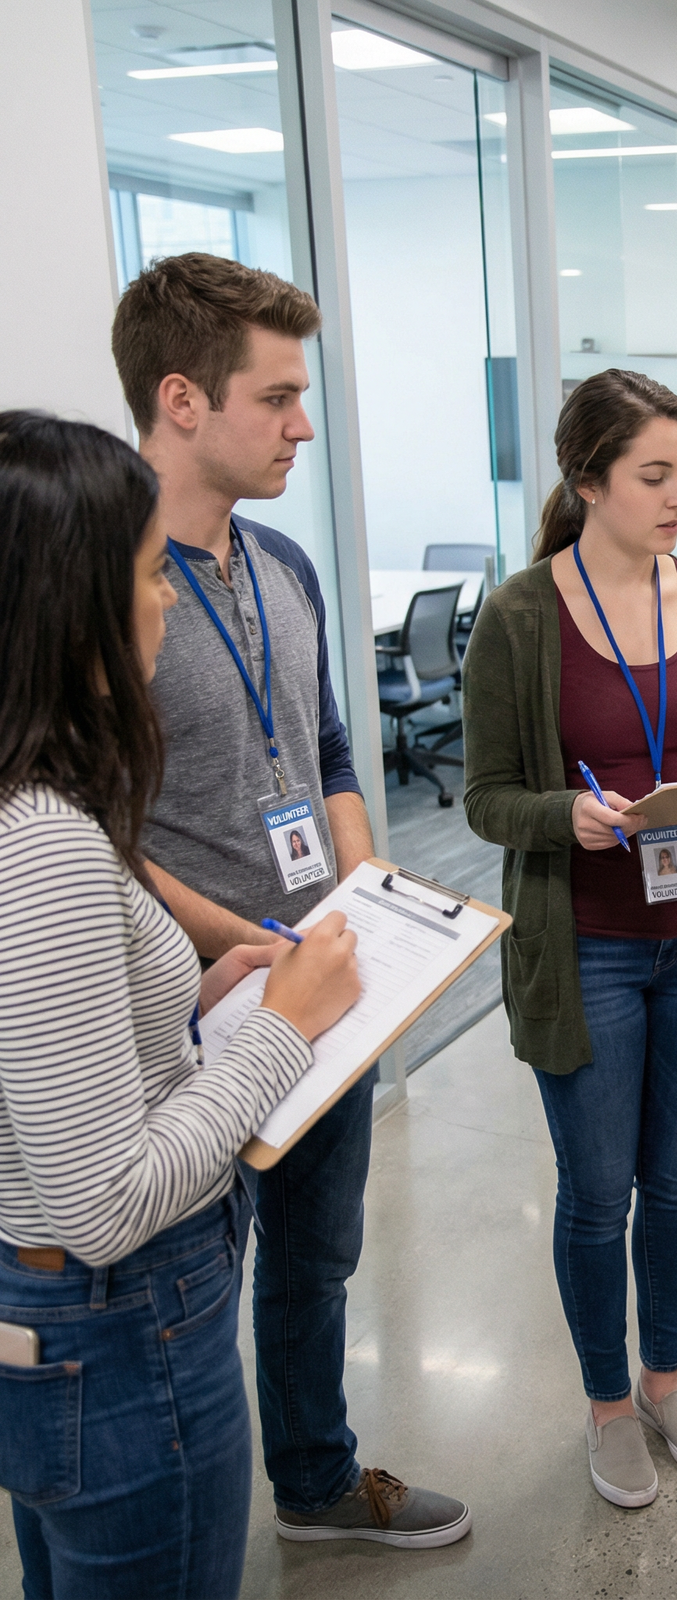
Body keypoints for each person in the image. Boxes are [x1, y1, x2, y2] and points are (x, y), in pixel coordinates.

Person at [110, 253, 471, 1547]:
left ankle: (314, 1483)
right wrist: (245, 944)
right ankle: (182, 1516)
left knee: (318, 1258)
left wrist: (366, 887)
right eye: (278, 396)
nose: (303, 425)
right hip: (191, 1002)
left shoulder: (286, 565)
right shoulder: (103, 587)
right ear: (182, 399)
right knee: (199, 1273)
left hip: (328, 973)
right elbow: (87, 820)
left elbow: (323, 753)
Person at [0, 410, 360, 1597]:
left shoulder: (31, 799)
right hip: (123, 1324)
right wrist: (278, 1026)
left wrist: (194, 993)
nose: (164, 600)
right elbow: (105, 1202)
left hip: (58, 1324)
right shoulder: (45, 841)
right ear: (70, 604)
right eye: (148, 573)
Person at [461, 369, 677, 1510]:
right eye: (655, 475)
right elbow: (487, 798)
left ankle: (664, 1376)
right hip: (586, 944)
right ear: (587, 478)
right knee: (598, 1190)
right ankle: (606, 1403)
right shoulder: (518, 616)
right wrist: (569, 818)